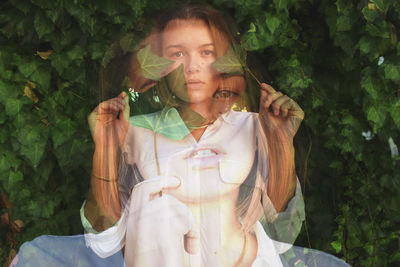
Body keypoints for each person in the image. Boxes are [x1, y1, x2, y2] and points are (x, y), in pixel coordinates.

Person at [12, 4, 349, 267]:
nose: (193, 67)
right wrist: (105, 146)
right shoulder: (137, 130)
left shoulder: (253, 124)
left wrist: (281, 144)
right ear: (159, 64)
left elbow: (281, 227)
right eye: (177, 54)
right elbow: (104, 241)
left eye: (206, 53)